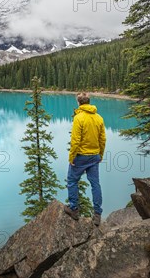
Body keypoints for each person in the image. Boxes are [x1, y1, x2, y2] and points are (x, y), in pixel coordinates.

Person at [64, 92, 106, 226]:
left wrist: (72, 157)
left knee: (71, 180)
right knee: (95, 184)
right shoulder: (99, 117)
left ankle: (74, 209)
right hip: (94, 156)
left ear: (78, 102)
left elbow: (75, 140)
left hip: (81, 156)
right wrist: (101, 155)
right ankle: (97, 214)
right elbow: (102, 139)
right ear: (89, 102)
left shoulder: (78, 118)